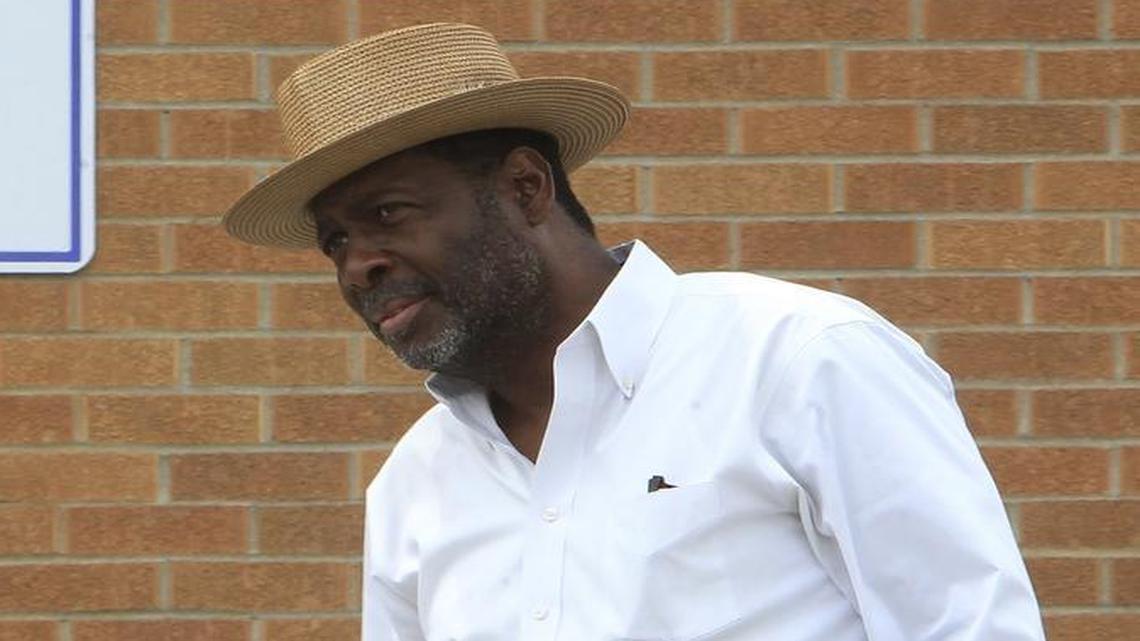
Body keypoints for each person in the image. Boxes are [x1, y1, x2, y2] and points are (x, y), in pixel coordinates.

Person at [223, 22, 1046, 641]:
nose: (357, 264)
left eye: (387, 214)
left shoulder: (796, 357)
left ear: (525, 187)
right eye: (335, 241)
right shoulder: (415, 485)